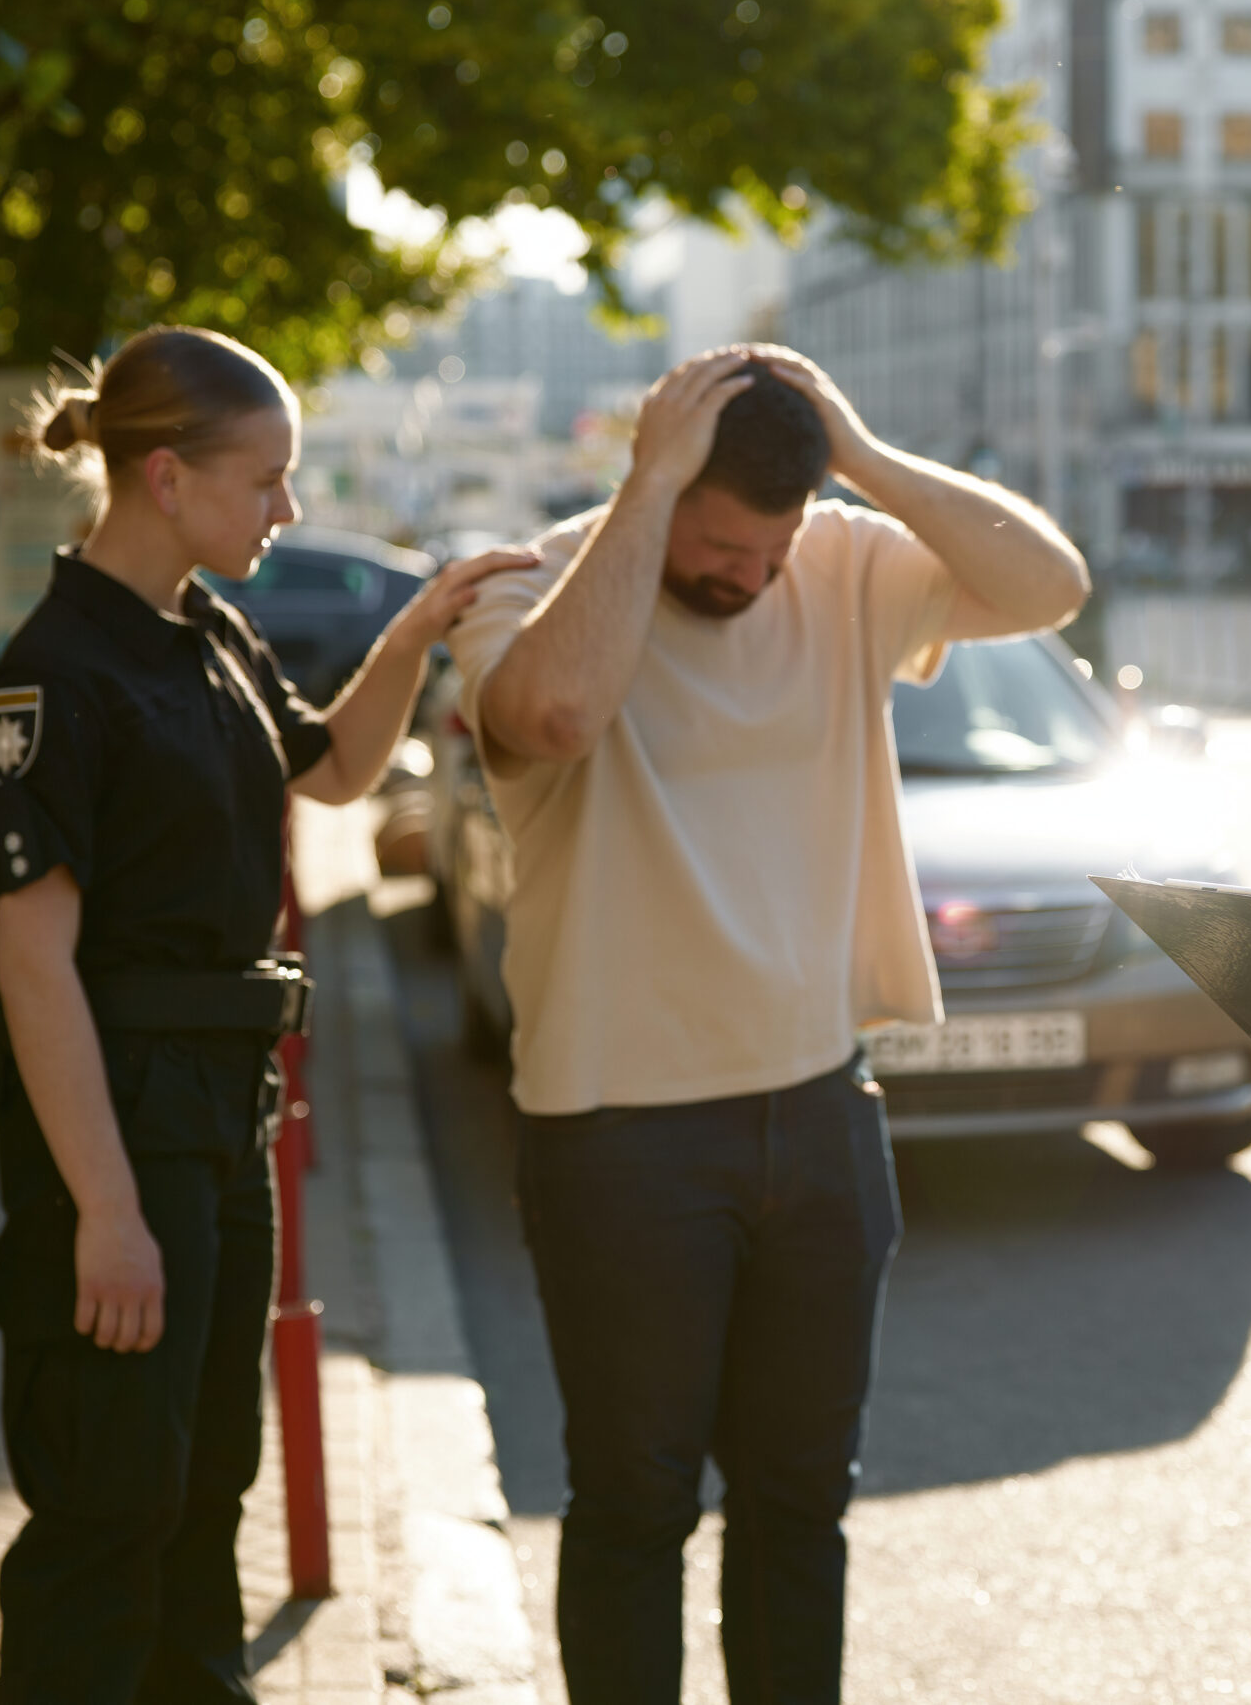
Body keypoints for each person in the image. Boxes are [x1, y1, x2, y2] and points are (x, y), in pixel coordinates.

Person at [445, 344, 1089, 1702]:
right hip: (618, 1136)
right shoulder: (523, 590)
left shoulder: (841, 566)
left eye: (770, 544)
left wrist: (854, 450)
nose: (747, 573)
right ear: (656, 481)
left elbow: (1050, 585)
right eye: (720, 540)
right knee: (632, 1511)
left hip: (818, 1115)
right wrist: (648, 486)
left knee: (800, 1511)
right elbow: (554, 713)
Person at [0, 325, 527, 1703]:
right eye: (268, 478)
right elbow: (35, 966)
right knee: (112, 1501)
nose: (289, 508)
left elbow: (336, 770)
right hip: (118, 1123)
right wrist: (104, 1210)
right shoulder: (49, 676)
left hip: (221, 1112)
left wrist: (418, 627)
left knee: (208, 1479)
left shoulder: (204, 629)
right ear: (166, 477)